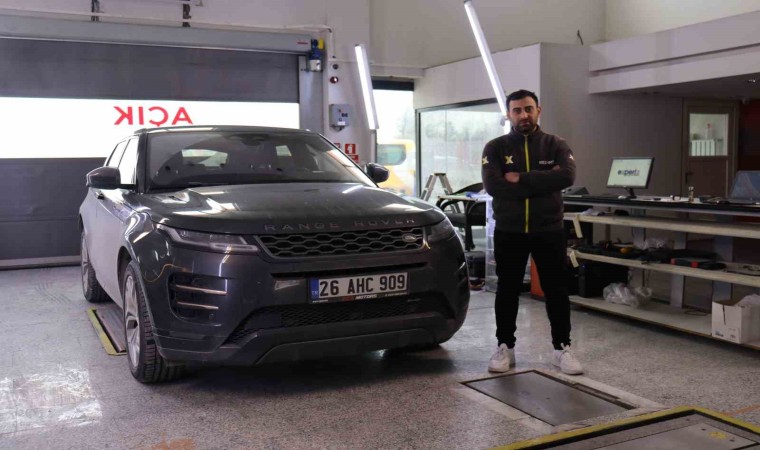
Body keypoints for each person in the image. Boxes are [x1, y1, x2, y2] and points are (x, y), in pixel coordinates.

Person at [481, 89, 583, 375]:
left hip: (548, 230)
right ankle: (505, 346)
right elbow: (494, 186)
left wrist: (522, 178)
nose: (523, 115)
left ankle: (562, 348)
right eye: (517, 110)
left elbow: (567, 176)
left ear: (539, 110)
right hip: (509, 230)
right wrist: (544, 182)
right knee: (507, 289)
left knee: (556, 290)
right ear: (509, 114)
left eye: (528, 109)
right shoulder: (495, 147)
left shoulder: (555, 144)